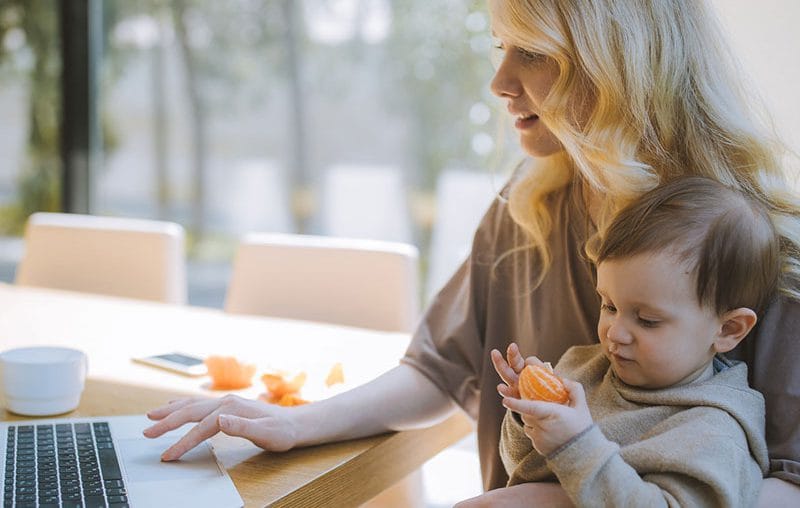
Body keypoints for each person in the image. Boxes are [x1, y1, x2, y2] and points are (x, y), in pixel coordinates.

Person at [143, 0, 800, 504]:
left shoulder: (753, 241)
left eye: (534, 53)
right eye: (501, 46)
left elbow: (789, 479)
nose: (500, 81)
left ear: (618, 61)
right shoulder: (532, 202)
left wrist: (565, 496)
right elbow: (440, 368)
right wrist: (296, 423)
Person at [495, 176, 777, 507]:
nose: (614, 332)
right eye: (609, 306)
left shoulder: (713, 431)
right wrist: (529, 417)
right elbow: (520, 469)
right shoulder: (584, 369)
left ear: (728, 329)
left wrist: (575, 445)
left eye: (647, 320)